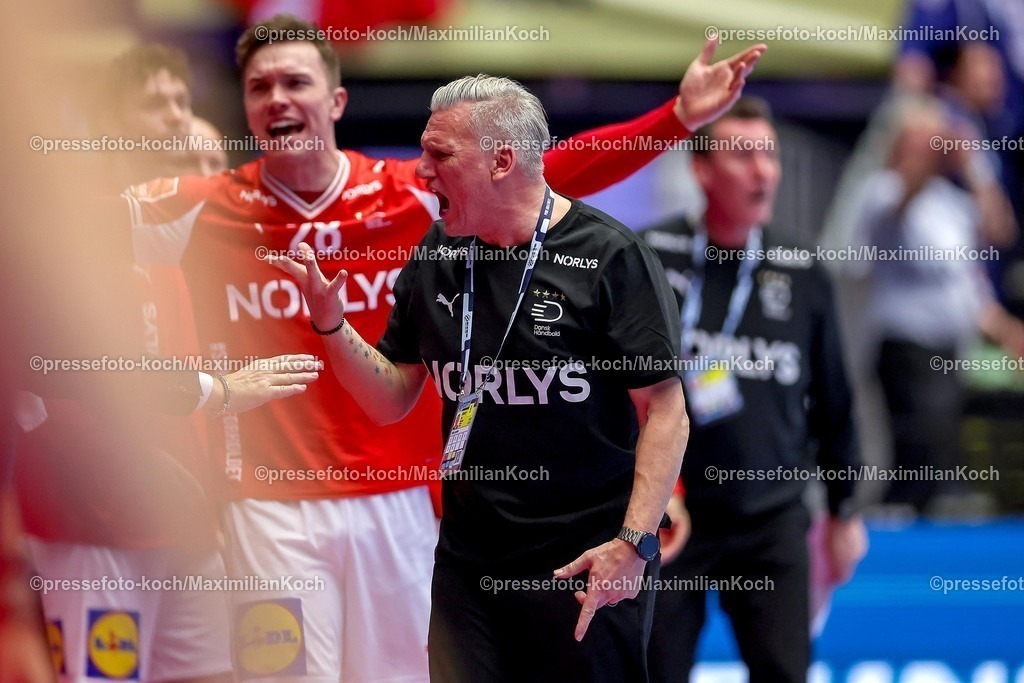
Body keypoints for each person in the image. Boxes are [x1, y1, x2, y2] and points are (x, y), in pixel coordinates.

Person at [124, 14, 764, 681]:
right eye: (259, 86)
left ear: (337, 101)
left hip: (401, 503)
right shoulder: (202, 204)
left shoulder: (414, 196)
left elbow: (552, 175)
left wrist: (676, 118)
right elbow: (58, 230)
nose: (278, 98)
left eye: (295, 81)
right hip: (274, 502)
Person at [269, 72, 689, 683]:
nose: (420, 172)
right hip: (469, 564)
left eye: (440, 155)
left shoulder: (609, 257)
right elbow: (390, 399)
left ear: (501, 160)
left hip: (585, 562)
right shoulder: (438, 254)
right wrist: (332, 327)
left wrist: (635, 544)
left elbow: (666, 410)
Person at [14, 44, 319, 683]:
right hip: (88, 522)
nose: (177, 118)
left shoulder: (195, 245)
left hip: (190, 527)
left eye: (184, 102)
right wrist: (213, 391)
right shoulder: (71, 232)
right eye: (157, 105)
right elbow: (67, 369)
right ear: (106, 126)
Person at [639, 97, 867, 682]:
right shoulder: (648, 257)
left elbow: (835, 400)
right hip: (670, 515)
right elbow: (614, 388)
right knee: (651, 672)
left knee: (785, 673)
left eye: (769, 154)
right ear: (702, 169)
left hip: (772, 520)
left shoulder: (801, 268)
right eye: (744, 155)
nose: (764, 170)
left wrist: (844, 513)